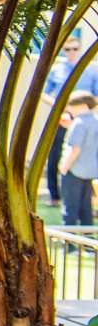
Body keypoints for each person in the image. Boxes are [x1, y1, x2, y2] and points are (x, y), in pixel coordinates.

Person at [63, 92, 98, 227]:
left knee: (70, 208)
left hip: (74, 170)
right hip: (91, 171)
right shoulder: (95, 121)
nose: (69, 109)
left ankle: (69, 244)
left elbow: (75, 149)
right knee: (86, 209)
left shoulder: (78, 123)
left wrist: (64, 168)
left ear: (82, 105)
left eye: (72, 106)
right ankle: (88, 243)